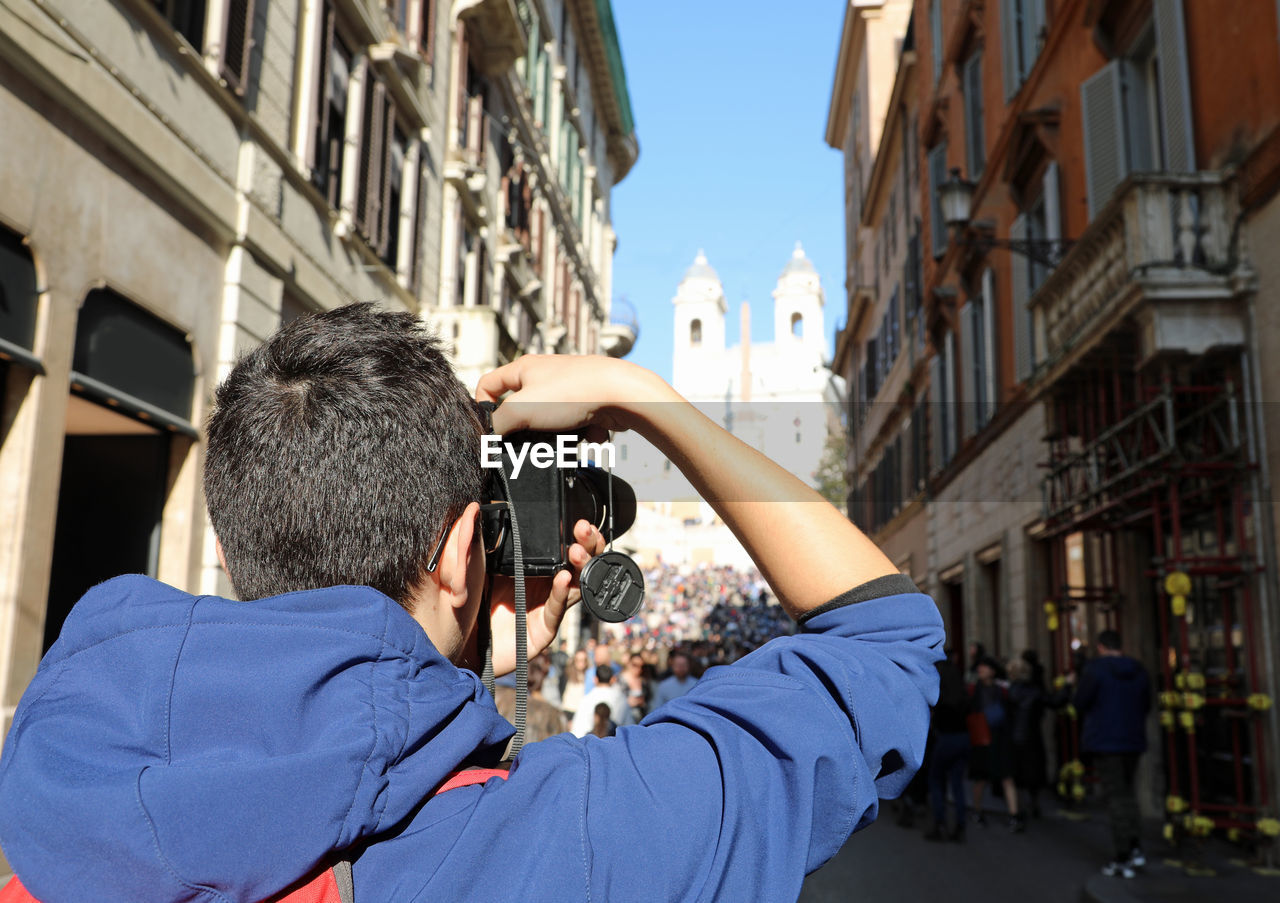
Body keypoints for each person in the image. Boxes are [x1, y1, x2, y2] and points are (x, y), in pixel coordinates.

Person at [0, 304, 943, 902]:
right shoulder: (572, 840)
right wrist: (649, 400)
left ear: (227, 547)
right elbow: (887, 636)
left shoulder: (47, 794)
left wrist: (450, 683)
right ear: (462, 554)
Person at [1074, 629, 1152, 879]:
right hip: (1133, 740)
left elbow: (1079, 702)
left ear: (1100, 647)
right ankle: (1136, 848)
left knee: (1116, 798)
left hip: (1106, 742)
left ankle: (1122, 857)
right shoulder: (1138, 669)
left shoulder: (1095, 670)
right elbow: (1146, 703)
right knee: (1128, 794)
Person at [969, 657, 1021, 831]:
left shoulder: (1003, 689)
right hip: (982, 738)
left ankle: (1014, 815)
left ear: (992, 670)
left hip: (1000, 737)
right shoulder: (973, 689)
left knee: (1007, 776)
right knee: (981, 778)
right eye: (980, 667)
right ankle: (977, 811)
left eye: (985, 667)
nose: (981, 669)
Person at [924, 652, 971, 842]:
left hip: (945, 738)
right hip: (963, 737)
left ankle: (940, 823)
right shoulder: (959, 686)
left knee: (936, 780)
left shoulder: (938, 686)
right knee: (957, 784)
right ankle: (960, 825)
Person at [1007, 657, 1047, 824]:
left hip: (1013, 738)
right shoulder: (1035, 691)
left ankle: (1018, 809)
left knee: (1015, 775)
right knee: (1033, 771)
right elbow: (1053, 702)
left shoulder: (1008, 692)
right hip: (1032, 737)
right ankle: (1033, 802)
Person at [570, 665, 629, 737]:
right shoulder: (621, 699)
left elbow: (578, 730)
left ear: (595, 680)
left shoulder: (587, 700)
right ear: (613, 680)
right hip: (615, 744)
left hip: (590, 744)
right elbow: (628, 728)